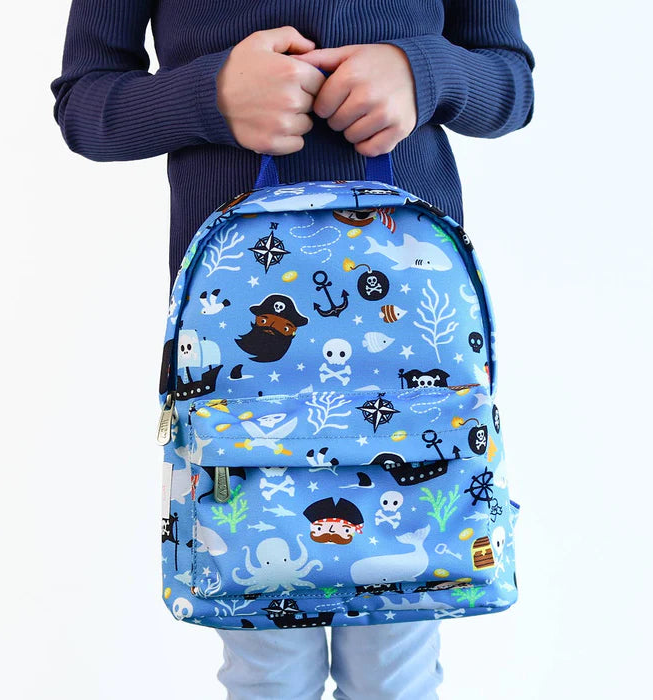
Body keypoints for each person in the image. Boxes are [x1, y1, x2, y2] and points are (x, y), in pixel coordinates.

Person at [50, 2, 535, 698]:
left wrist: (421, 74)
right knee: (269, 670)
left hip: (409, 352)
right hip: (237, 356)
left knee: (394, 664)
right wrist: (213, 94)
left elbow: (510, 83)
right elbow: (85, 105)